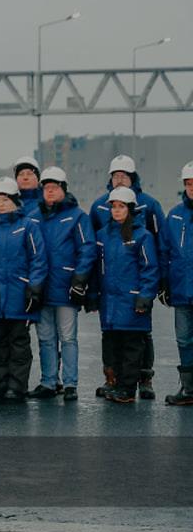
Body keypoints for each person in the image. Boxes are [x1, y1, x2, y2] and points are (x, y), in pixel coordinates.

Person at [89, 155, 165, 399]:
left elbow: (150, 266)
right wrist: (92, 292)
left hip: (132, 298)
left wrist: (147, 294)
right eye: (114, 206)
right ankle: (116, 382)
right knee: (113, 342)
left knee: (134, 342)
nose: (116, 210)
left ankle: (133, 385)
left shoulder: (143, 232)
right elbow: (96, 264)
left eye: (122, 207)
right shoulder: (103, 233)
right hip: (110, 300)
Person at [0, 178, 47, 401]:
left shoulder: (28, 226)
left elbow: (38, 259)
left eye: (5, 200)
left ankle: (17, 384)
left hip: (19, 293)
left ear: (15, 201)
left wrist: (34, 288)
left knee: (18, 342)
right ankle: (2, 381)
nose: (1, 204)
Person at [26, 167, 95, 401]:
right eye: (46, 187)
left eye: (54, 187)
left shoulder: (77, 216)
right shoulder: (33, 217)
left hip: (66, 286)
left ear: (63, 189)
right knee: (45, 338)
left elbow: (87, 249)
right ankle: (48, 381)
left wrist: (79, 278)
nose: (50, 191)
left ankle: (70, 384)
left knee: (68, 337)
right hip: (41, 287)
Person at [161, 161, 193, 405]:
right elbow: (164, 251)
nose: (192, 188)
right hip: (181, 290)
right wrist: (164, 283)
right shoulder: (174, 215)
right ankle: (189, 388)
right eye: (188, 184)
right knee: (183, 340)